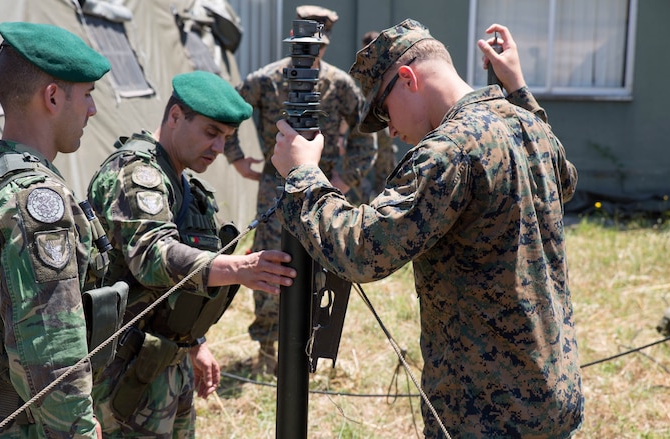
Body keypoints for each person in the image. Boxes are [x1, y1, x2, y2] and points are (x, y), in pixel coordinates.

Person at [271, 20, 583, 438]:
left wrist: (303, 174)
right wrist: (519, 88)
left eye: (384, 112)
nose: (392, 131)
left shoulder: (449, 150)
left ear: (407, 78)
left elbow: (364, 250)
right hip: (552, 397)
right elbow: (565, 182)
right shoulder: (528, 125)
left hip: (488, 416)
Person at [87, 70, 297, 438]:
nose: (218, 148)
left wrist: (194, 344)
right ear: (174, 117)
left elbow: (175, 284)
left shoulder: (185, 182)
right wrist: (240, 267)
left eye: (227, 138)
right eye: (211, 133)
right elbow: (153, 255)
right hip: (126, 373)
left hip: (167, 362)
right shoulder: (135, 174)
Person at [0, 22, 111, 438]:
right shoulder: (36, 203)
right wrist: (81, 431)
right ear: (53, 97)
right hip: (25, 426)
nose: (92, 110)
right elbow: (53, 353)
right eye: (87, 94)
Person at [224, 5, 376, 372]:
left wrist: (344, 179)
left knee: (318, 267)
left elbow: (365, 137)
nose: (313, 49)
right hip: (274, 191)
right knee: (269, 265)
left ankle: (307, 347)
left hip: (318, 192)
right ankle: (267, 350)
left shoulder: (339, 84)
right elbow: (228, 110)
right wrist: (237, 157)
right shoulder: (267, 79)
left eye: (319, 41)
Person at [357, 30, 398, 202]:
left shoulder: (385, 67)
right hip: (367, 123)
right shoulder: (363, 68)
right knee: (364, 163)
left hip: (382, 122)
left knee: (385, 163)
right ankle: (368, 200)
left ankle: (384, 199)